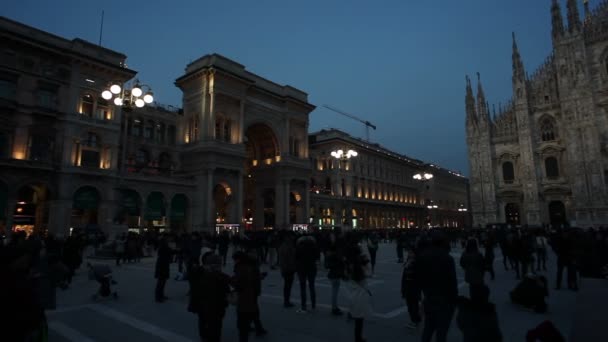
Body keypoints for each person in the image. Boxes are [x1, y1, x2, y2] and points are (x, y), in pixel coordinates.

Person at [416, 233, 458, 342]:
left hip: (429, 297)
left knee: (428, 328)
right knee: (442, 331)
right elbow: (452, 281)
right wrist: (454, 299)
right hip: (445, 299)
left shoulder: (423, 256)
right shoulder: (447, 258)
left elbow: (419, 277)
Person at [189, 254, 230, 342]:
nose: (219, 267)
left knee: (206, 323)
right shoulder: (218, 277)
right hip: (214, 306)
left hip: (207, 306)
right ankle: (208, 337)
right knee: (214, 326)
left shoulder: (200, 274)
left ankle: (205, 336)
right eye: (218, 265)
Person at [232, 251, 266, 342]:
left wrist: (232, 281)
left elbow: (239, 282)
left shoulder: (241, 267)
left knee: (244, 315)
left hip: (245, 294)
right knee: (253, 309)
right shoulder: (251, 265)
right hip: (253, 292)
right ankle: (258, 327)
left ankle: (253, 328)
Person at [295, 234, 319, 313]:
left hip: (302, 268)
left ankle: (303, 305)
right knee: (312, 286)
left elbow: (296, 258)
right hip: (312, 267)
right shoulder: (314, 247)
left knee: (303, 287)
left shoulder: (299, 248)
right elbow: (317, 257)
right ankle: (313, 304)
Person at [401, 248, 421, 329]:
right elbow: (404, 276)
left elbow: (417, 276)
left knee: (413, 305)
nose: (409, 254)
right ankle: (415, 320)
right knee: (410, 305)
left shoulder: (416, 263)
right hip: (407, 286)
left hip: (414, 286)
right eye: (409, 253)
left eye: (411, 253)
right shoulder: (408, 262)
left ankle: (415, 321)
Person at [326, 234, 346, 315]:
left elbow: (327, 265)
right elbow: (341, 262)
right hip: (336, 273)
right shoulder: (337, 254)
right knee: (335, 291)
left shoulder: (329, 253)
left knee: (334, 291)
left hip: (332, 273)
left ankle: (334, 307)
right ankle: (334, 308)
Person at [278, 233, 296, 308]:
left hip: (286, 268)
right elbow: (289, 258)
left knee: (287, 285)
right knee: (288, 285)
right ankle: (286, 301)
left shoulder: (283, 246)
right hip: (288, 268)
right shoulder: (288, 247)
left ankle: (286, 300)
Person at [154, 236, 173, 303]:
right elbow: (170, 252)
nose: (169, 241)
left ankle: (160, 295)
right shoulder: (164, 248)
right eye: (167, 240)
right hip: (162, 265)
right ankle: (158, 297)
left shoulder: (163, 247)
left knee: (162, 281)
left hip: (163, 265)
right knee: (161, 282)